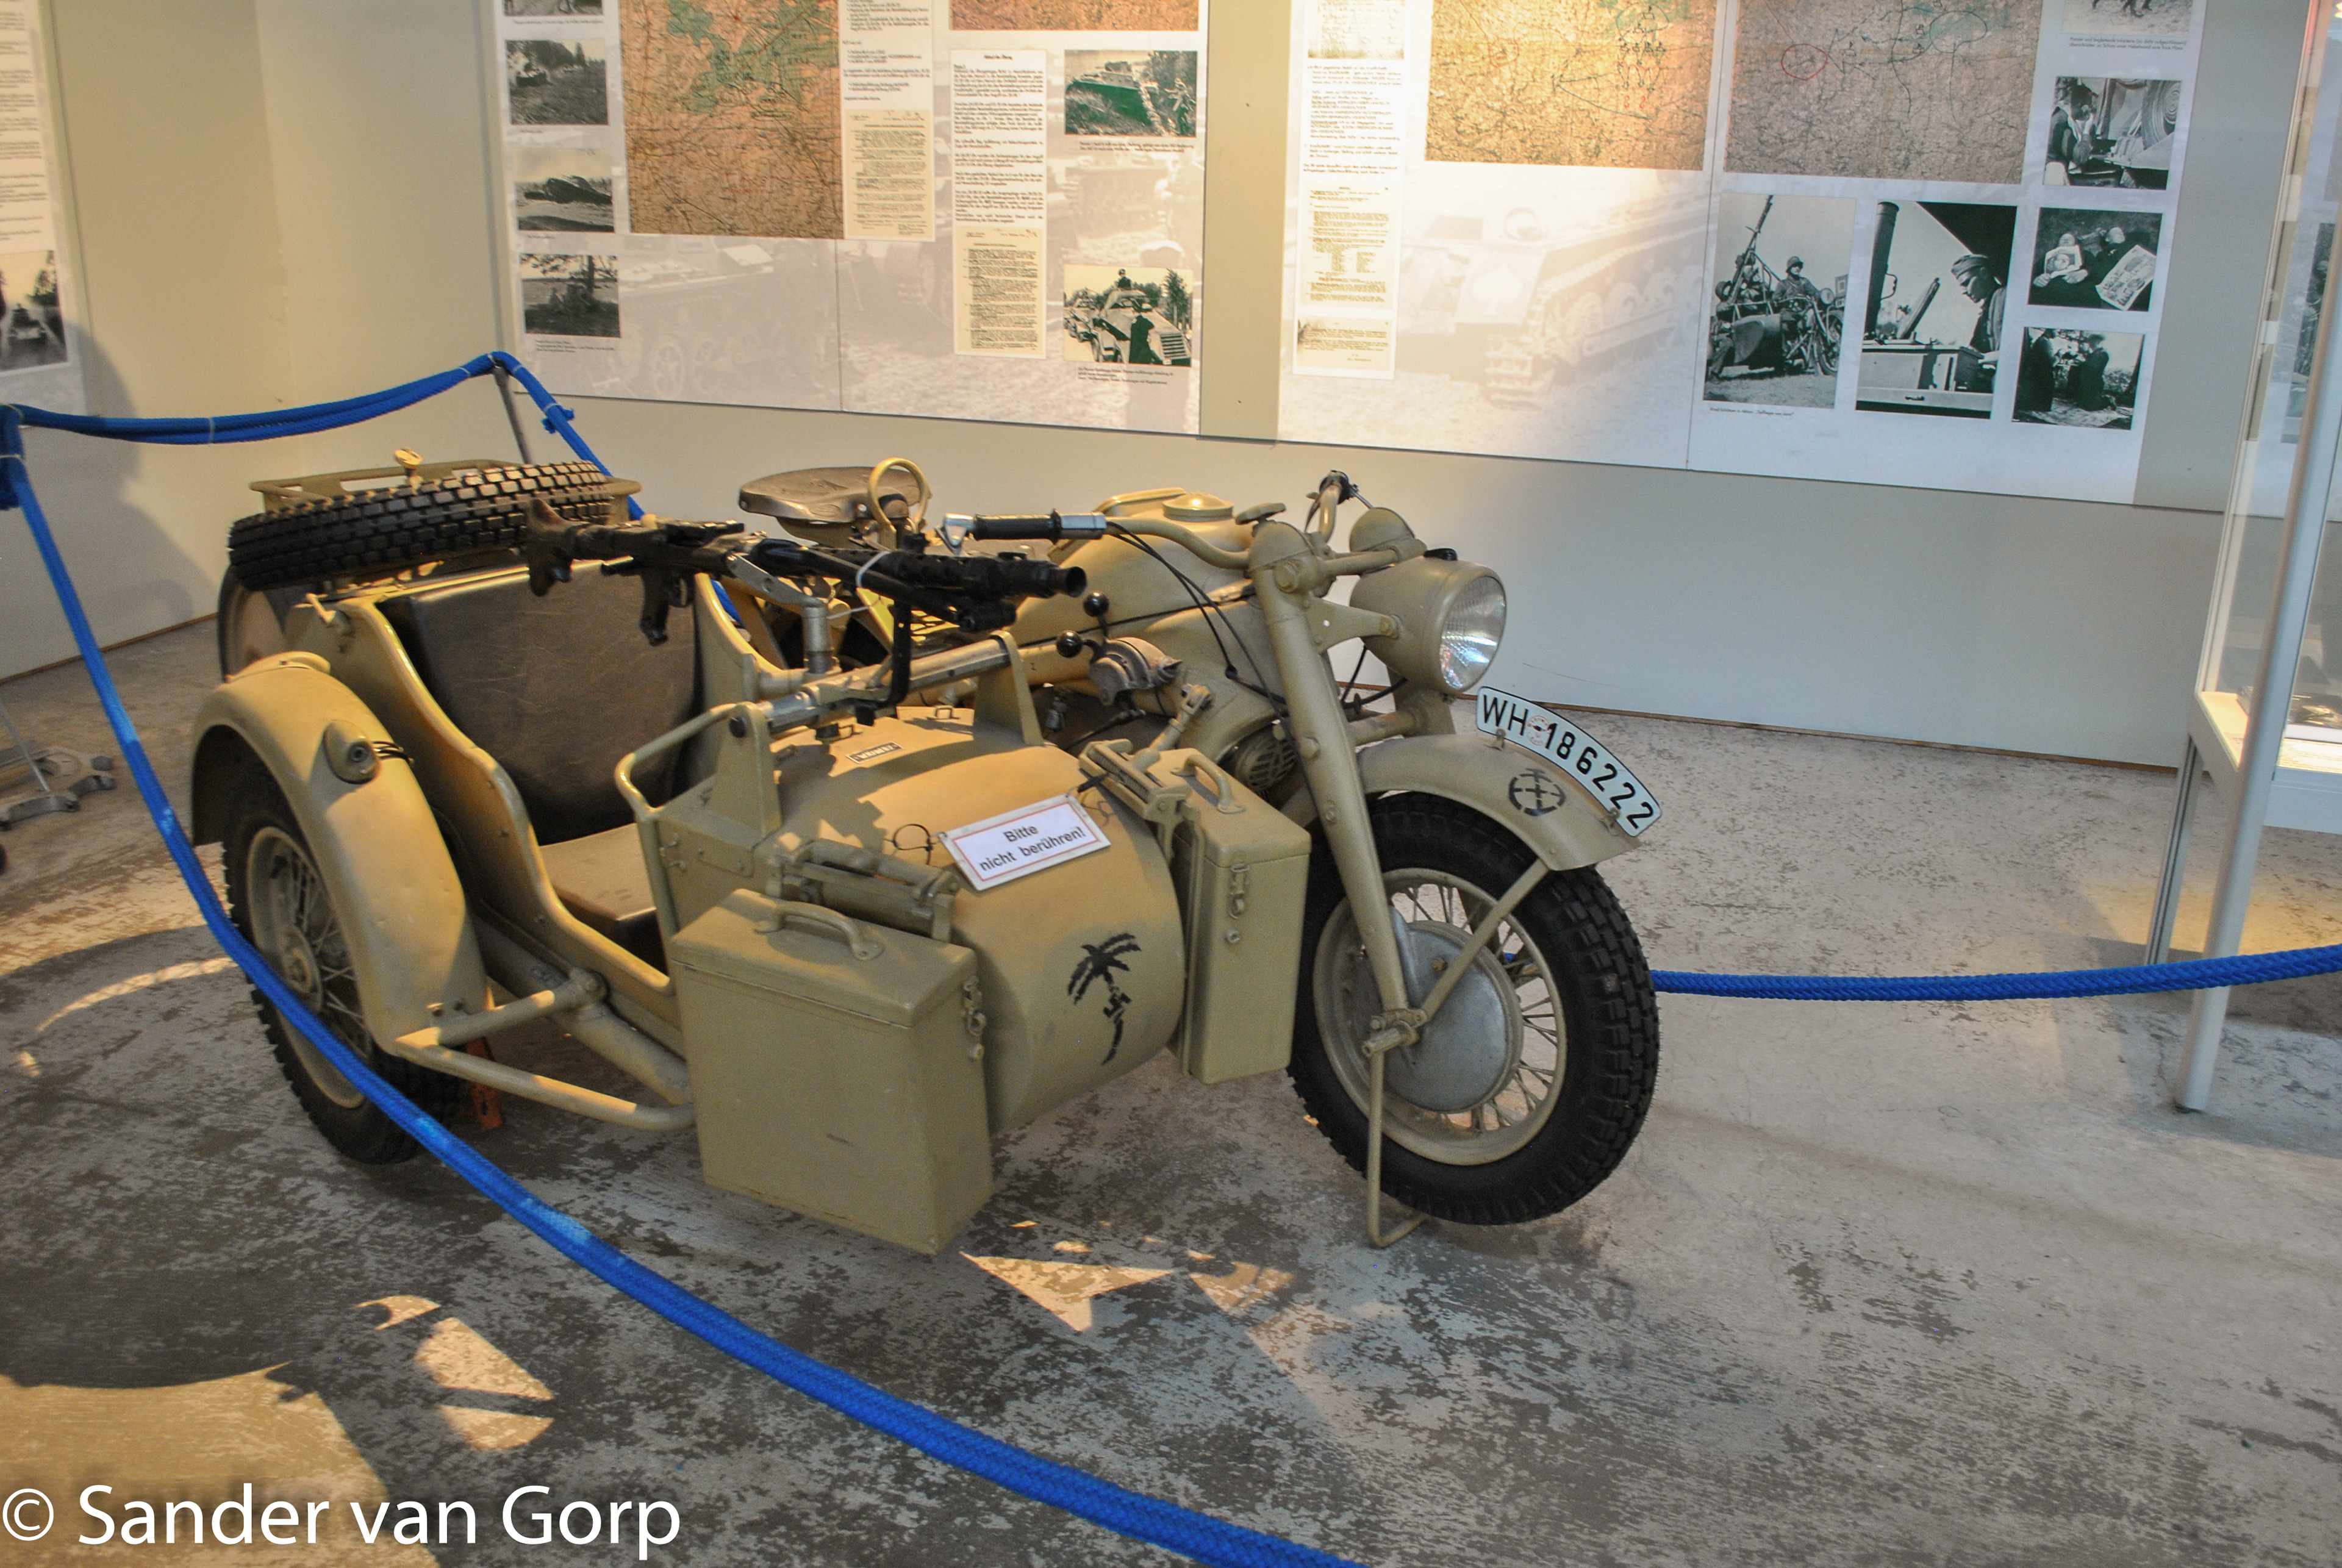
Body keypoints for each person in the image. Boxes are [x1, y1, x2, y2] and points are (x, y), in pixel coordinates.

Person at [1950, 252, 2005, 359]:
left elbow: (2016, 350)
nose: (1964, 291)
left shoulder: (2005, 297)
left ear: (1984, 274)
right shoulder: (1987, 309)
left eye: (1967, 283)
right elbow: (1977, 349)